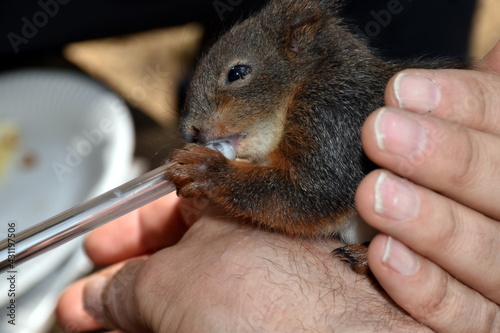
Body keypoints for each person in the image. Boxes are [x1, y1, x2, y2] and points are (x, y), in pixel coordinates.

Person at [56, 42, 500, 332]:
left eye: (237, 76)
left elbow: (313, 202)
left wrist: (217, 176)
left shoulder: (326, 100)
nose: (195, 127)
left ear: (302, 50)